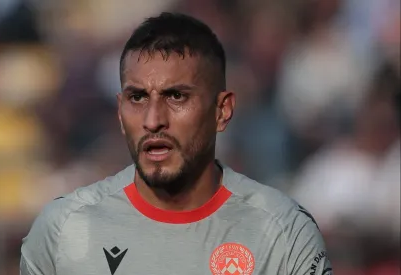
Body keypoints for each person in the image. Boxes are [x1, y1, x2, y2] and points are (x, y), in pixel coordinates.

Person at [20, 12, 333, 275]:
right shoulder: (61, 231)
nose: (153, 119)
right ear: (119, 112)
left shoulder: (285, 233)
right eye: (137, 98)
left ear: (221, 111)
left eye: (176, 96)